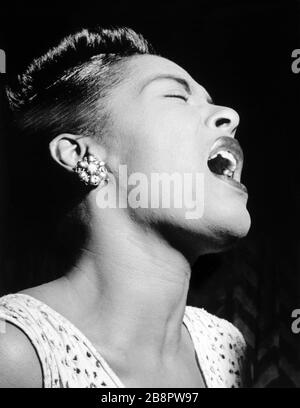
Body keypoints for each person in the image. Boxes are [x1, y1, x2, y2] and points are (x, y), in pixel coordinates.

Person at [0, 26, 250, 388]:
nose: (229, 114)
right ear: (81, 154)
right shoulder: (14, 352)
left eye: (211, 101)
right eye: (176, 97)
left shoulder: (227, 348)